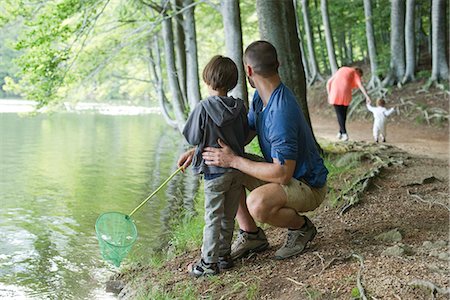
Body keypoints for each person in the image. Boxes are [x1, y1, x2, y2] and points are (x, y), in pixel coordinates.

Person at [178, 40, 328, 262]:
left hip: (308, 185)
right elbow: (242, 134)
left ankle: (302, 228)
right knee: (224, 167)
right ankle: (252, 235)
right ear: (278, 64)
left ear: (248, 70)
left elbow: (282, 174)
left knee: (256, 202)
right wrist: (200, 149)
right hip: (288, 177)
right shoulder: (260, 97)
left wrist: (234, 160)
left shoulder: (281, 111)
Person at [180, 55, 249, 277]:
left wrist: (200, 144)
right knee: (228, 216)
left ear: (208, 80)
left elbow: (192, 136)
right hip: (236, 170)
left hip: (214, 173)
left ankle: (208, 263)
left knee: (212, 216)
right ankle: (224, 255)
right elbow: (244, 137)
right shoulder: (239, 107)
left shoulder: (203, 107)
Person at [326, 66, 371, 141]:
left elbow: (328, 83)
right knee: (343, 114)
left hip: (334, 93)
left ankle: (341, 132)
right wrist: (367, 96)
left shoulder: (341, 69)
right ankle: (344, 133)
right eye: (360, 76)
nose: (359, 78)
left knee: (340, 114)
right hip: (345, 93)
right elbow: (360, 85)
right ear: (358, 72)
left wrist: (329, 95)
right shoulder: (355, 73)